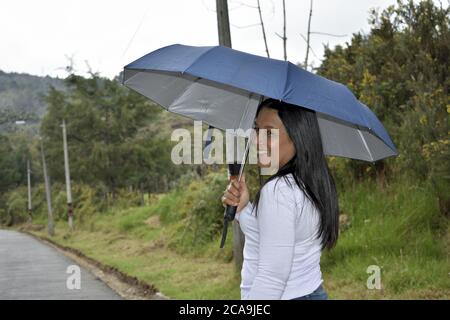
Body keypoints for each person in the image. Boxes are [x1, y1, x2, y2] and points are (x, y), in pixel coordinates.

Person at [221, 98, 339, 300]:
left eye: (269, 132)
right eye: (256, 129)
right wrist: (243, 209)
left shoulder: (278, 190)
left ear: (297, 136)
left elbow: (272, 277)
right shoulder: (308, 183)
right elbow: (278, 237)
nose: (256, 140)